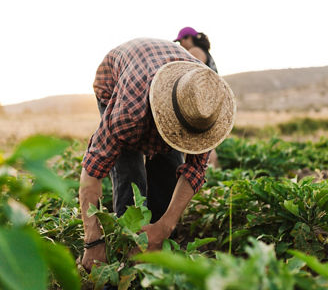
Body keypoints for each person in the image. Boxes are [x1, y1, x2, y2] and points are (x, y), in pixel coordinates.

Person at [79, 38, 235, 273]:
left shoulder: (204, 110)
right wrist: (93, 241)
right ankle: (128, 252)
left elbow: (193, 172)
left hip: (163, 82)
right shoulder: (128, 113)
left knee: (168, 175)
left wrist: (164, 226)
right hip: (114, 83)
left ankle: (155, 248)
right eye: (175, 130)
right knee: (130, 176)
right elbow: (92, 172)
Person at [174, 27, 219, 167]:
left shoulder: (195, 52)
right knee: (207, 140)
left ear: (189, 38)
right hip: (212, 99)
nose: (180, 45)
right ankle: (213, 174)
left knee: (196, 141)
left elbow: (191, 75)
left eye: (181, 41)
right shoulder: (205, 53)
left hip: (201, 100)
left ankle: (202, 172)